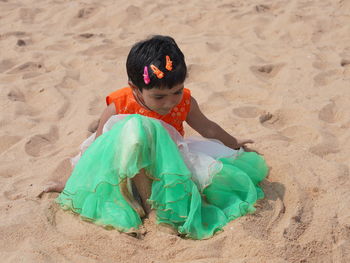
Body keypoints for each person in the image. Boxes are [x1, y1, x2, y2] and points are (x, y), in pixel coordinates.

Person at [42, 35, 268, 239]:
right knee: (139, 127)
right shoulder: (119, 105)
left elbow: (208, 128)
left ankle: (160, 209)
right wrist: (71, 183)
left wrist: (233, 143)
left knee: (209, 185)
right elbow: (98, 147)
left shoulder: (185, 103)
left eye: (177, 92)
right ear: (135, 89)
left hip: (169, 164)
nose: (170, 102)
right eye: (159, 96)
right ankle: (146, 208)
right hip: (126, 165)